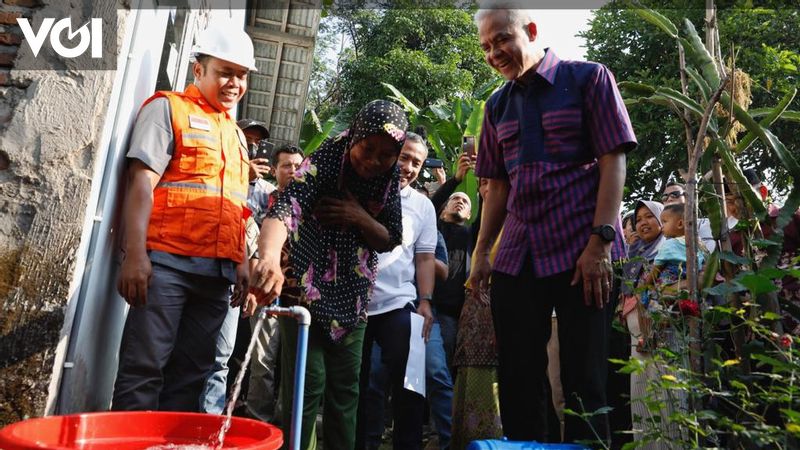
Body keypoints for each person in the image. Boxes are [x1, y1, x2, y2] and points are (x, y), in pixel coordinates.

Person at [469, 6, 636, 444]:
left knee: (586, 377)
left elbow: (612, 159)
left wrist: (601, 243)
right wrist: (483, 250)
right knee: (518, 374)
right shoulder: (496, 105)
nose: (495, 53)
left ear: (531, 30)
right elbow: (497, 186)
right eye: (486, 46)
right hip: (520, 247)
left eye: (502, 39)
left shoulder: (588, 78)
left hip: (582, 243)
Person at [112, 24, 256, 412]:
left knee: (193, 377)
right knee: (144, 369)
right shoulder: (167, 108)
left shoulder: (238, 136)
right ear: (199, 70)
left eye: (241, 75)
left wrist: (241, 260)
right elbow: (141, 184)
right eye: (225, 71)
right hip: (165, 266)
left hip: (216, 276)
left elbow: (235, 205)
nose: (234, 83)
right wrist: (135, 255)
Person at [251, 100, 408, 450]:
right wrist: (269, 258)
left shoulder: (389, 177)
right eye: (368, 149)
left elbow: (391, 237)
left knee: (345, 389)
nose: (373, 161)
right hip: (304, 289)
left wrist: (359, 216)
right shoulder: (324, 160)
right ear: (355, 136)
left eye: (386, 155)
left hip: (353, 298)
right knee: (307, 385)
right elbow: (285, 208)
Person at [355, 132, 437, 450]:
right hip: (356, 302)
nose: (409, 167)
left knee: (411, 384)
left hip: (399, 302)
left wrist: (426, 301)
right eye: (404, 157)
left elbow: (425, 256)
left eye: (417, 162)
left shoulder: (423, 206)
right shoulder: (363, 189)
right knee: (361, 385)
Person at [199, 119, 276, 414]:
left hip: (235, 277)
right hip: (198, 269)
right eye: (247, 140)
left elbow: (253, 234)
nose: (252, 148)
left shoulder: (267, 193)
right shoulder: (214, 170)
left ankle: (210, 422)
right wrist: (241, 173)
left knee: (222, 355)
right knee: (190, 352)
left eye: (258, 143)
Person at [245, 144, 305, 423]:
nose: (293, 171)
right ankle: (259, 423)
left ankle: (286, 425)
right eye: (286, 166)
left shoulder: (311, 203)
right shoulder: (262, 200)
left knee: (294, 364)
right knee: (261, 361)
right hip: (265, 289)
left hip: (300, 294)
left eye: (297, 165)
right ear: (275, 170)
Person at [661, 181, 716, 252]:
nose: (669, 199)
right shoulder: (663, 234)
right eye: (665, 197)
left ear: (687, 197)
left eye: (675, 195)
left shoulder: (708, 225)